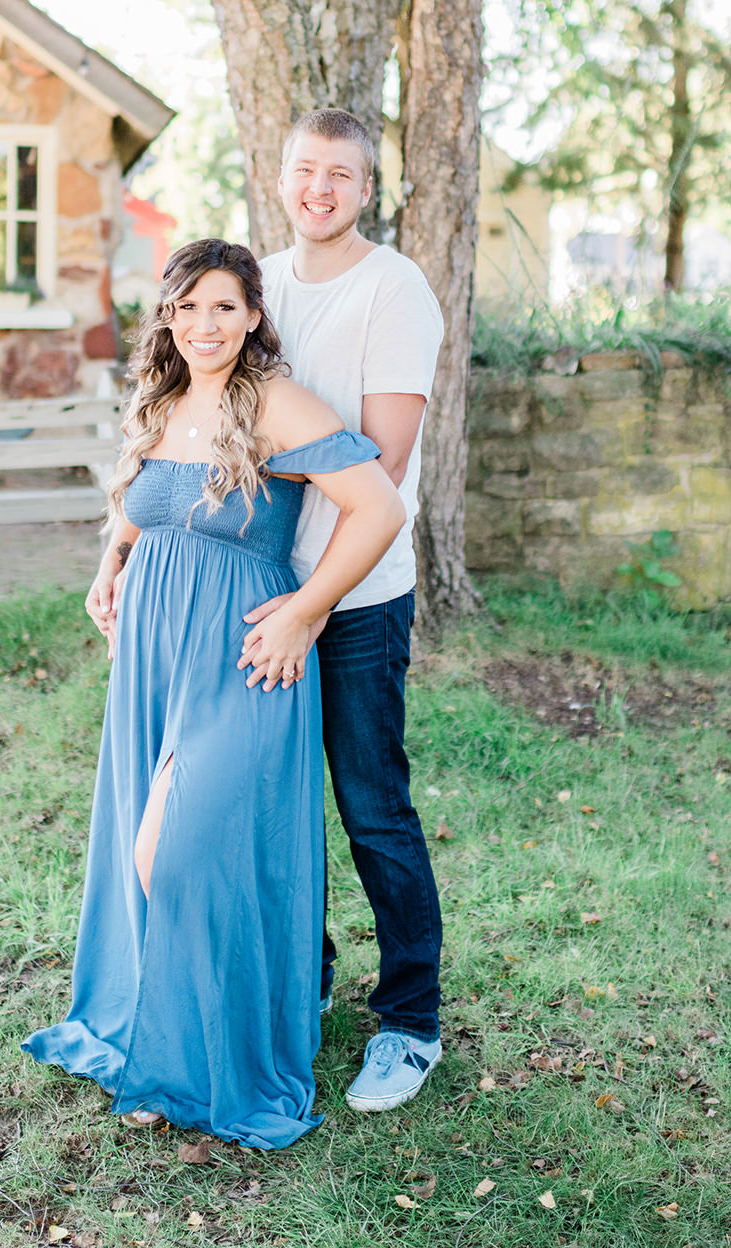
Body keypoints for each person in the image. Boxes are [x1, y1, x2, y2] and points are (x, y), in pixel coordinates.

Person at [21, 238, 404, 1151]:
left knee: (176, 851)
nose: (205, 325)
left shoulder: (270, 402)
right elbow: (136, 504)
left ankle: (205, 1057)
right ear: (167, 315)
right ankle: (162, 1043)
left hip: (243, 659)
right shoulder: (157, 400)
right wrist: (108, 563)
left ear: (253, 317)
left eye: (225, 307)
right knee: (144, 847)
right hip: (154, 657)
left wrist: (306, 611)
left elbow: (379, 507)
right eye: (188, 306)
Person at [242, 109, 445, 1115]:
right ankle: (308, 976)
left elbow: (383, 468)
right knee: (280, 805)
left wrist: (312, 605)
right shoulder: (262, 288)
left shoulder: (392, 290)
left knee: (370, 807)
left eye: (342, 175)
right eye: (305, 170)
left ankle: (410, 1021)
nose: (320, 188)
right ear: (281, 178)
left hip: (354, 597)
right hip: (264, 596)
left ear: (368, 190)